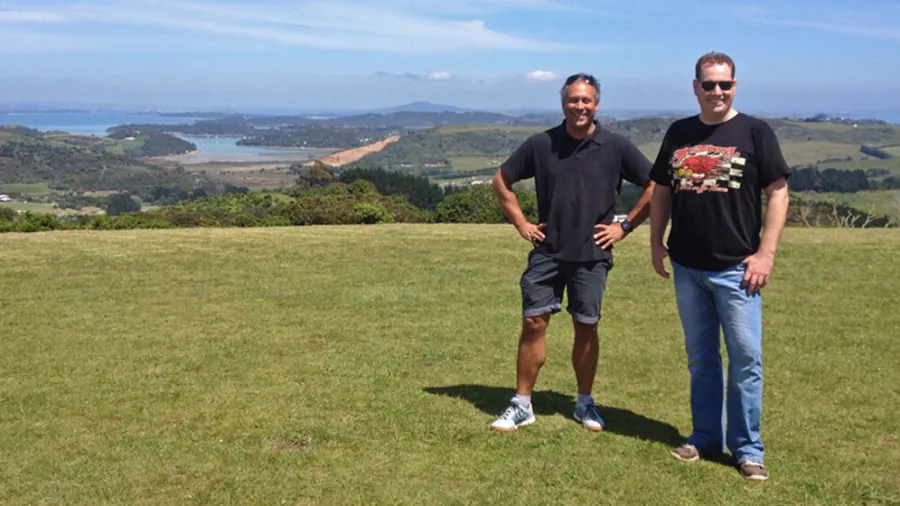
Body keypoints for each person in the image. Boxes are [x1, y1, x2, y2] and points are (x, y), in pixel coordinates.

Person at [648, 52, 791, 481]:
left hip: (737, 268)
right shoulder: (679, 132)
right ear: (695, 86)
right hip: (688, 266)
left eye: (724, 85)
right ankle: (706, 436)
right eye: (708, 84)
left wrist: (766, 252)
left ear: (735, 86)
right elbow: (661, 192)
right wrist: (655, 242)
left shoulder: (755, 132)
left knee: (746, 359)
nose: (716, 92)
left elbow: (778, 192)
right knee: (701, 359)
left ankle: (747, 449)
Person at [490, 73, 655, 433]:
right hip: (547, 251)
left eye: (587, 100)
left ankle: (584, 403)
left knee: (586, 326)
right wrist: (521, 224)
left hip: (592, 255)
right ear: (563, 102)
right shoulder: (541, 144)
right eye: (573, 100)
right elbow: (501, 180)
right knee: (533, 323)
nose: (580, 106)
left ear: (597, 104)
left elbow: (654, 185)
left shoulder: (616, 146)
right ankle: (521, 405)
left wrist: (623, 227)